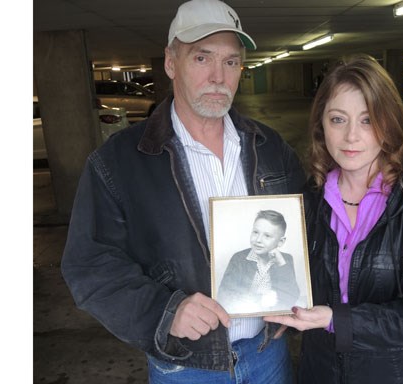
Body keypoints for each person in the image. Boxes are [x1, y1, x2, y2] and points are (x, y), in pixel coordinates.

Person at [61, 1, 305, 383]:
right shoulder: (119, 161)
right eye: (202, 57)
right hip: (185, 365)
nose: (217, 76)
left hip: (267, 353)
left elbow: (310, 232)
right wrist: (165, 311)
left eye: (230, 61)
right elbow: (89, 263)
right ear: (171, 63)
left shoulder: (269, 146)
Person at [264, 54, 403, 383]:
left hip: (398, 374)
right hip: (321, 371)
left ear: (389, 123)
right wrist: (282, 300)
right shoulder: (308, 199)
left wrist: (336, 319)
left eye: (368, 120)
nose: (351, 136)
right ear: (321, 127)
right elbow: (294, 274)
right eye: (338, 119)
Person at [218, 210, 300, 315]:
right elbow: (224, 294)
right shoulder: (239, 258)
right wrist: (261, 299)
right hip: (244, 314)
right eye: (255, 232)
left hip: (272, 320)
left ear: (280, 242)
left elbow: (292, 295)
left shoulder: (285, 260)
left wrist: (281, 264)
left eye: (267, 236)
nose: (258, 240)